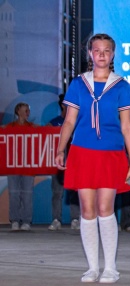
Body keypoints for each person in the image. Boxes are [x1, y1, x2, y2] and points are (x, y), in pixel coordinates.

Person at [54, 33, 130, 284]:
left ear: (113, 55)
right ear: (90, 54)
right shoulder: (78, 84)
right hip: (82, 152)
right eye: (97, 50)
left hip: (111, 154)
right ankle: (92, 268)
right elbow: (69, 121)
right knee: (87, 210)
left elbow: (127, 127)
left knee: (105, 208)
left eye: (106, 51)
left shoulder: (122, 86)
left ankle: (110, 268)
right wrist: (60, 149)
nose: (102, 55)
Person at [47, 93, 81, 231]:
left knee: (74, 191)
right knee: (57, 192)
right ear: (63, 105)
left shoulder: (78, 123)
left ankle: (75, 219)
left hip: (75, 162)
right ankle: (56, 219)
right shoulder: (53, 123)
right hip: (59, 163)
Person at [5, 102, 36, 231]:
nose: (28, 113)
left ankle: (26, 221)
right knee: (14, 194)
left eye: (28, 111)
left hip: (28, 166)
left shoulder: (33, 127)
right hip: (13, 166)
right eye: (25, 110)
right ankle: (15, 220)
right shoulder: (9, 127)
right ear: (18, 111)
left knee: (27, 195)